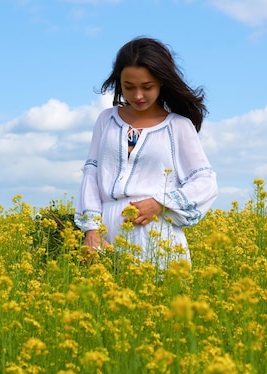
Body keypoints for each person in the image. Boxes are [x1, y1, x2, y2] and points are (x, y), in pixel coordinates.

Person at [74, 36, 218, 265]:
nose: (138, 95)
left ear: (162, 82)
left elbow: (205, 181)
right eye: (128, 87)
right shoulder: (106, 120)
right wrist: (91, 230)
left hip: (157, 236)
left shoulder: (178, 126)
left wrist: (161, 202)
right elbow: (92, 174)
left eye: (147, 87)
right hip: (106, 234)